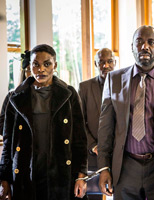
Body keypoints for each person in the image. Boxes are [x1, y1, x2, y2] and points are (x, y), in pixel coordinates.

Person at [97, 25, 154, 200]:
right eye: (139, 42)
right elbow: (105, 128)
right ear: (132, 47)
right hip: (125, 167)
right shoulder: (114, 79)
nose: (144, 46)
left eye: (151, 42)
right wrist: (103, 168)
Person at [0, 44, 88, 200]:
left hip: (60, 175)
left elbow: (80, 140)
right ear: (30, 66)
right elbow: (8, 143)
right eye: (36, 64)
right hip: (26, 174)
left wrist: (81, 176)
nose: (41, 69)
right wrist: (4, 178)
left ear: (55, 65)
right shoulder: (15, 98)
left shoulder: (69, 95)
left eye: (47, 64)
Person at [78, 48, 116, 171]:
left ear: (115, 63)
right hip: (93, 156)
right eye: (101, 62)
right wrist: (93, 145)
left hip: (120, 156)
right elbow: (79, 121)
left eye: (110, 61)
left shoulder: (125, 86)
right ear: (95, 64)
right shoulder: (85, 88)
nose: (106, 65)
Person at [0, 50, 31, 137]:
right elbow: (1, 125)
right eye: (29, 70)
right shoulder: (12, 96)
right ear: (24, 72)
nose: (33, 73)